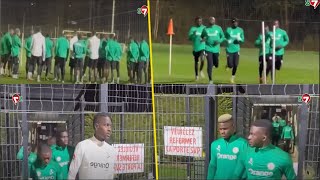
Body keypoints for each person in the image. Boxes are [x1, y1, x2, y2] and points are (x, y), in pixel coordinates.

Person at [68, 113, 117, 179]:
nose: (109, 129)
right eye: (106, 125)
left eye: (110, 126)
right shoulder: (82, 146)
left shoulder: (111, 150)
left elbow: (110, 175)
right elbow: (72, 173)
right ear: (97, 126)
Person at [207, 114, 248, 180]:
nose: (222, 132)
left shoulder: (243, 144)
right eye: (220, 129)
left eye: (225, 129)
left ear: (233, 127)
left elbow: (245, 167)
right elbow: (212, 166)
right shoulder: (215, 144)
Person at [201, 17, 225, 84]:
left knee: (216, 64)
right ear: (209, 21)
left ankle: (215, 64)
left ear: (215, 21)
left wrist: (219, 41)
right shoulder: (205, 29)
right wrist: (203, 39)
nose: (211, 21)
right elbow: (202, 36)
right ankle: (210, 79)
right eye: (210, 20)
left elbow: (223, 37)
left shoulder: (218, 28)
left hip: (216, 49)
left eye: (213, 20)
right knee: (209, 64)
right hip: (208, 48)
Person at [224, 18, 245, 84]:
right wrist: (227, 41)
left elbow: (243, 39)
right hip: (229, 49)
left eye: (236, 22)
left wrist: (239, 40)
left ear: (237, 23)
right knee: (230, 65)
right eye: (233, 22)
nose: (235, 23)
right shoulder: (228, 30)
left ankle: (232, 77)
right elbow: (224, 37)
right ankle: (228, 65)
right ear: (231, 23)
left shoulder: (240, 30)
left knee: (235, 65)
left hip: (236, 49)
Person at [188, 16, 206, 81]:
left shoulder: (204, 28)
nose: (199, 22)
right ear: (195, 22)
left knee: (203, 59)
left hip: (202, 47)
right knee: (196, 62)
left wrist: (205, 39)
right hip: (195, 48)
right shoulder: (193, 29)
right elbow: (189, 38)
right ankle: (196, 76)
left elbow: (207, 36)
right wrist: (193, 35)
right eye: (198, 21)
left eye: (200, 21)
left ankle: (201, 70)